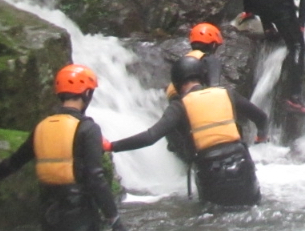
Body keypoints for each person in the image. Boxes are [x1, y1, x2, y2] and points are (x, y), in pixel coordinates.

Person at [0, 64, 128, 231]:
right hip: (81, 221)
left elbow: (15, 161)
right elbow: (96, 178)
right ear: (87, 94)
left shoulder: (42, 127)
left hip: (50, 223)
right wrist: (115, 220)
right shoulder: (88, 129)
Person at [107, 56, 269, 208]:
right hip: (242, 167)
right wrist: (260, 137)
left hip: (211, 173)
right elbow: (261, 118)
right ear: (202, 77)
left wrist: (111, 146)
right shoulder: (226, 94)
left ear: (176, 84)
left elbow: (150, 137)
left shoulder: (180, 106)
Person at [164, 21, 225, 99]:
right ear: (213, 45)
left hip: (175, 101)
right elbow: (214, 88)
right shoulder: (210, 60)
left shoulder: (183, 61)